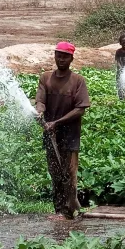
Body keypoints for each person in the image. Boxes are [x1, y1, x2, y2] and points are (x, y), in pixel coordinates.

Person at [35, 42, 91, 219]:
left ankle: (69, 210)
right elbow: (41, 101)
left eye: (65, 56)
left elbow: (80, 109)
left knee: (69, 173)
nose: (61, 59)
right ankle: (59, 210)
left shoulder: (78, 81)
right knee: (55, 173)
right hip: (51, 134)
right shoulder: (45, 78)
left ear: (71, 59)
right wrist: (39, 111)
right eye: (58, 55)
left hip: (70, 135)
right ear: (54, 56)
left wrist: (57, 123)